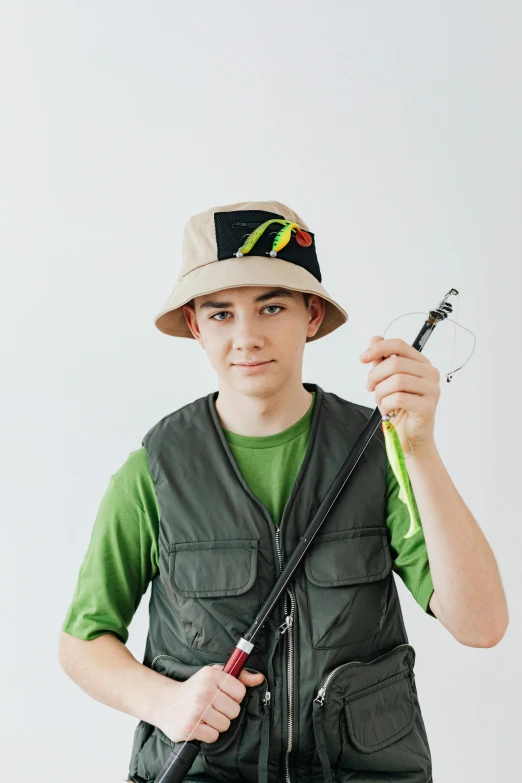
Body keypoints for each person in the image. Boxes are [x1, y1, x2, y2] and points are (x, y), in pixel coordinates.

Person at [59, 199, 440, 782]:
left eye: (271, 306)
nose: (247, 336)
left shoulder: (381, 451)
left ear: (311, 314)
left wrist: (420, 449)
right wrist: (166, 703)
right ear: (194, 325)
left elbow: (481, 623)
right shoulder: (151, 472)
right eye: (219, 313)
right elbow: (82, 643)